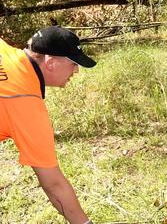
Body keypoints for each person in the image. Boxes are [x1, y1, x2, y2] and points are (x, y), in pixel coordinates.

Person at [1, 26, 96, 224]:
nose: (76, 71)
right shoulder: (25, 104)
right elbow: (54, 185)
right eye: (73, 64)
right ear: (51, 63)